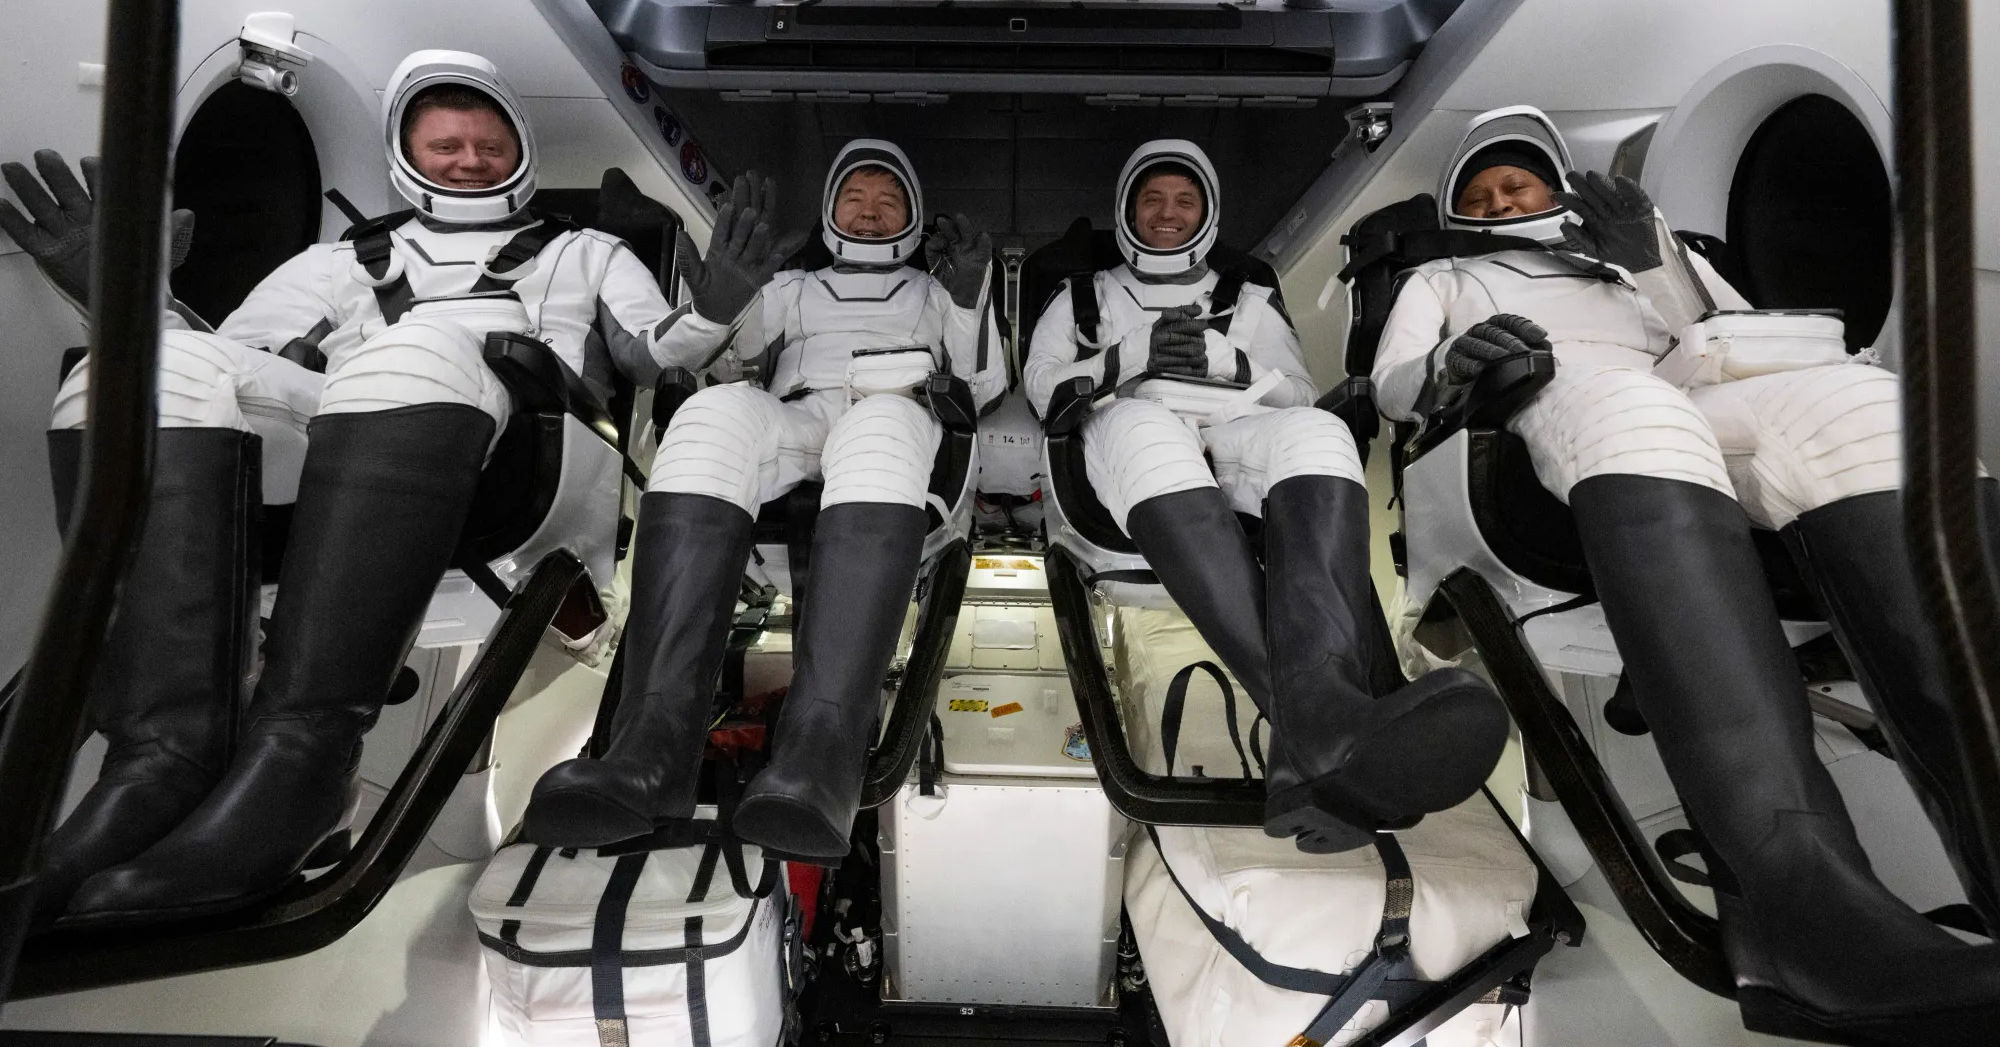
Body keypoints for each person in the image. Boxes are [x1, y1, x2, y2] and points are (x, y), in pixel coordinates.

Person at [2, 50, 690, 921]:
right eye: (446, 144)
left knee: (413, 350)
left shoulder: (583, 251)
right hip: (363, 437)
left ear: (519, 146)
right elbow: (239, 367)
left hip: (534, 461)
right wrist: (132, 303)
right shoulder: (339, 262)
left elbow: (654, 350)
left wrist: (714, 310)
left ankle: (308, 757)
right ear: (407, 151)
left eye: (487, 143)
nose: (470, 160)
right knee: (137, 369)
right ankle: (163, 756)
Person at [1372, 105, 2000, 1044]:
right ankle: (1804, 914)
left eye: (1521, 182)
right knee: (1637, 413)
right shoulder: (1446, 273)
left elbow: (1731, 332)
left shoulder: (1636, 244)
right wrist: (1454, 359)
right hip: (1563, 390)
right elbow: (1393, 384)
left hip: (1709, 379)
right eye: (1484, 192)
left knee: (1870, 410)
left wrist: (1648, 260)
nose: (1505, 199)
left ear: (1553, 183)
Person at [523, 139, 1005, 862]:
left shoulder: (935, 292)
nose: (870, 216)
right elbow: (723, 359)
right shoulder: (795, 287)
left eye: (888, 203)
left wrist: (969, 295)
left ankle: (820, 759)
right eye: (856, 200)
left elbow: (983, 387)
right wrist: (725, 294)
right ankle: (649, 748)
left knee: (880, 425)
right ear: (831, 210)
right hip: (800, 416)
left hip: (895, 414)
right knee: (708, 418)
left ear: (912, 217)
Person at [1022, 140, 1508, 853]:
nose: (1167, 213)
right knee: (1145, 425)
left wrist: (1231, 359)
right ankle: (1330, 719)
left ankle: (1309, 740)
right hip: (1127, 424)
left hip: (1238, 422)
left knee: (1316, 433)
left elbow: (1297, 393)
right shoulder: (1081, 297)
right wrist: (1132, 359)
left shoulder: (1245, 297)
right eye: (1151, 199)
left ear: (1207, 213)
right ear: (1127, 210)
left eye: (1184, 200)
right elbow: (1042, 389)